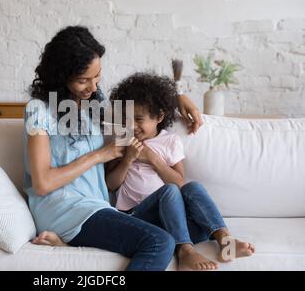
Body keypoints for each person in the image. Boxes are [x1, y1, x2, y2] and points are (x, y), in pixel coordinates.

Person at [24, 25, 202, 271]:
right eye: (83, 80)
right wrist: (99, 155)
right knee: (159, 242)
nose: (93, 87)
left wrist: (179, 98)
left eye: (97, 76)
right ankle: (68, 239)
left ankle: (69, 245)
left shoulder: (92, 107)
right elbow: (43, 182)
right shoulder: (39, 111)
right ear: (59, 77)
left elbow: (143, 102)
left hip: (99, 207)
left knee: (194, 227)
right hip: (64, 209)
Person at [104, 73, 255, 270]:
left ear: (159, 117)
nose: (131, 126)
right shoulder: (122, 142)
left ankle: (225, 240)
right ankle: (185, 251)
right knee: (169, 191)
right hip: (137, 217)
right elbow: (110, 185)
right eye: (126, 119)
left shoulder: (170, 141)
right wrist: (128, 159)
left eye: (138, 119)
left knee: (192, 188)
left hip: (172, 222)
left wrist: (153, 159)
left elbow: (179, 182)